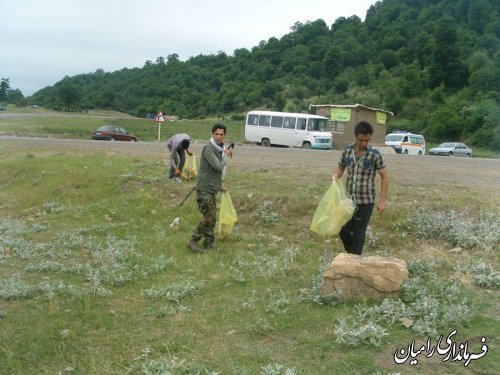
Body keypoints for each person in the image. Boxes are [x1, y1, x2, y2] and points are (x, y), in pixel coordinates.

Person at [332, 121, 389, 255]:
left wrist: (382, 201)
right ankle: (353, 256)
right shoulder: (347, 151)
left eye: (367, 140)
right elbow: (340, 168)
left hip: (365, 202)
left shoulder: (375, 154)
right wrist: (335, 176)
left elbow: (385, 177)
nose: (364, 143)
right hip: (349, 202)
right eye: (361, 140)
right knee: (343, 229)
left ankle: (354, 260)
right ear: (356, 137)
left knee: (359, 235)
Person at [187, 124, 233, 253]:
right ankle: (193, 241)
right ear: (212, 134)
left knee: (211, 218)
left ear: (224, 135)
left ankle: (209, 244)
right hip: (204, 189)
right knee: (209, 218)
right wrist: (226, 156)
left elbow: (212, 172)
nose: (219, 137)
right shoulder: (209, 148)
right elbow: (218, 167)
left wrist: (219, 186)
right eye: (216, 134)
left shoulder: (219, 148)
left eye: (221, 134)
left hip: (211, 188)